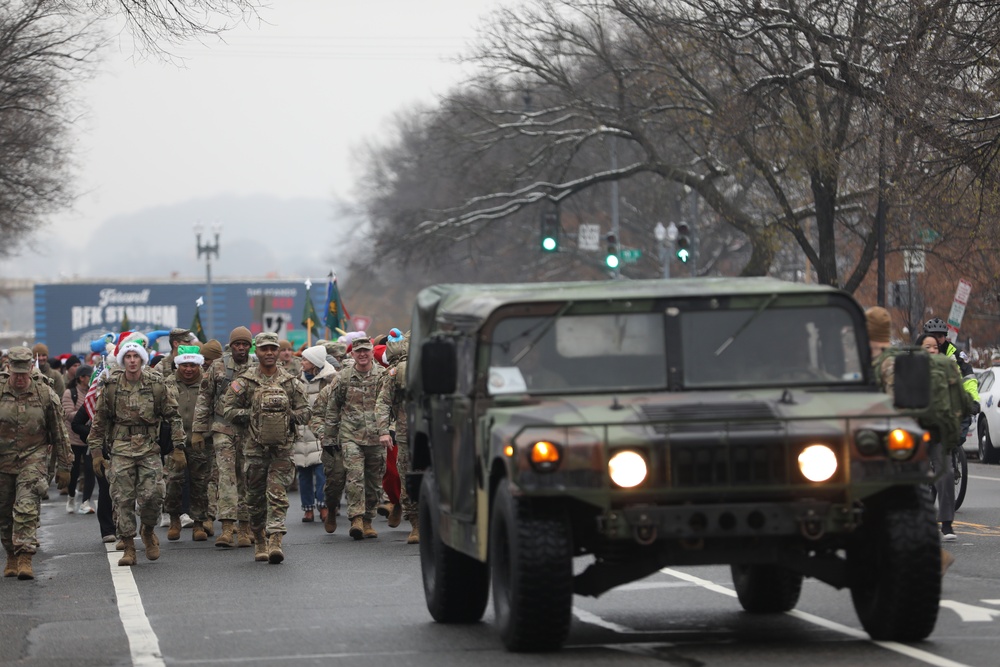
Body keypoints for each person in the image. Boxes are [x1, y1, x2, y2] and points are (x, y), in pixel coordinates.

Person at [88, 333, 186, 567]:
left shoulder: (156, 384)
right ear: (123, 360)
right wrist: (96, 453)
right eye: (128, 356)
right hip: (121, 448)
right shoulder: (111, 386)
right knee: (122, 499)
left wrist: (178, 447)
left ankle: (148, 530)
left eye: (136, 356)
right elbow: (99, 420)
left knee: (153, 496)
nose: (132, 360)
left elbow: (173, 416)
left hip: (149, 448)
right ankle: (129, 546)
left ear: (142, 359)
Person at [222, 332, 309, 564]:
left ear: (278, 351)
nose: (269, 353)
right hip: (253, 449)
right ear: (256, 352)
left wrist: (286, 416)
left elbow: (306, 411)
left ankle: (275, 541)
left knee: (278, 496)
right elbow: (227, 410)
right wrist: (254, 415)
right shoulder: (245, 381)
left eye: (273, 349)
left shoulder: (290, 382)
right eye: (264, 349)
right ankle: (259, 537)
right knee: (255, 498)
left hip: (282, 449)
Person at [0, 347, 72, 579]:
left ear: (31, 369)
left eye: (24, 373)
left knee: (26, 508)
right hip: (3, 462)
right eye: (16, 373)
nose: (20, 378)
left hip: (34, 458)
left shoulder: (44, 394)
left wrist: (64, 466)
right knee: (4, 513)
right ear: (8, 369)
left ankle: (24, 557)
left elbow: (59, 432)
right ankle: (10, 554)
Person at [193, 326, 256, 548]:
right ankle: (228, 528)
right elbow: (204, 398)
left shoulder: (257, 367)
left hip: (250, 430)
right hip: (223, 428)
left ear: (250, 346)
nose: (241, 348)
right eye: (237, 344)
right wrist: (198, 430)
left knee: (247, 477)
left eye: (245, 344)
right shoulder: (218, 366)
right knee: (226, 477)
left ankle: (246, 527)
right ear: (232, 345)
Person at [324, 336, 387, 540]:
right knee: (354, 475)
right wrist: (330, 438)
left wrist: (390, 430)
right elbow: (333, 408)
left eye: (365, 351)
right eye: (358, 351)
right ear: (352, 354)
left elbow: (392, 405)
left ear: (371, 353)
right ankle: (357, 518)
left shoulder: (382, 376)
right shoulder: (343, 378)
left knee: (375, 482)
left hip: (377, 437)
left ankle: (369, 519)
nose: (362, 354)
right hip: (350, 436)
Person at [163, 346, 212, 541]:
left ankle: (198, 524)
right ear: (178, 365)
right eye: (184, 365)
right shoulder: (168, 383)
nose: (188, 369)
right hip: (175, 443)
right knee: (174, 483)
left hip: (201, 441)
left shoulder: (207, 383)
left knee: (200, 485)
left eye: (193, 365)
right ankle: (175, 520)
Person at [376, 330, 419, 543]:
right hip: (410, 434)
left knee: (409, 477)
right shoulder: (397, 373)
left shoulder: (426, 367)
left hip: (422, 434)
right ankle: (416, 524)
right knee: (408, 477)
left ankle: (423, 524)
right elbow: (384, 402)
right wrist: (384, 430)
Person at [295, 346, 335, 523]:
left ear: (315, 362)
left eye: (305, 359)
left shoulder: (329, 380)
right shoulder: (297, 381)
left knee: (321, 472)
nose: (301, 362)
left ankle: (323, 505)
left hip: (321, 432)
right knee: (303, 472)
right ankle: (307, 509)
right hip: (301, 432)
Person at [62, 364, 96, 515]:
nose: (91, 379)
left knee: (90, 470)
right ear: (82, 378)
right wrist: (86, 414)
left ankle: (85, 501)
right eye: (89, 376)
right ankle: (71, 497)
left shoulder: (94, 392)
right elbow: (68, 414)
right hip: (74, 438)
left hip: (89, 438)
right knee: (74, 471)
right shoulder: (70, 393)